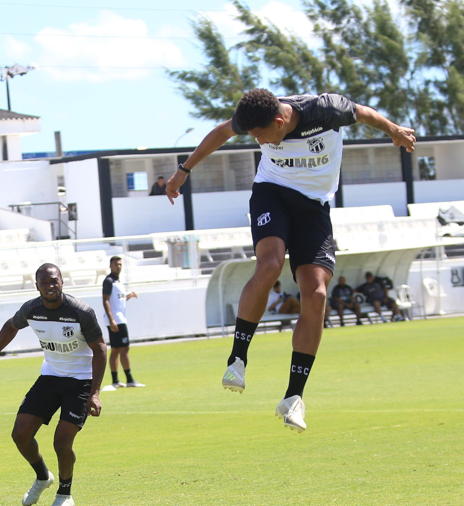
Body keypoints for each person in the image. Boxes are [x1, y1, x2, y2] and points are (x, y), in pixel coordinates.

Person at [166, 88, 416, 432]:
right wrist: (184, 170)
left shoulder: (326, 110)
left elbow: (365, 114)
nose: (258, 141)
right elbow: (222, 132)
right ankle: (238, 359)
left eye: (261, 135)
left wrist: (394, 131)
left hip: (314, 207)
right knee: (269, 263)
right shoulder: (256, 115)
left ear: (281, 121)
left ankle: (293, 398)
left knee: (316, 294)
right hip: (273, 193)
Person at [0, 263, 107, 506]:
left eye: (54, 280)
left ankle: (65, 493)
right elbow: (10, 326)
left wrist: (95, 393)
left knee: (61, 440)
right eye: (44, 282)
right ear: (37, 286)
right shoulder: (32, 309)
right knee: (20, 434)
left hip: (80, 381)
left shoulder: (80, 311)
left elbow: (99, 348)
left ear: (61, 282)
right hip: (50, 377)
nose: (50, 286)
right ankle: (42, 477)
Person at [102, 256, 144, 389]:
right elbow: (106, 300)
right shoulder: (108, 281)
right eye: (116, 264)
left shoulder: (118, 282)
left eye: (120, 264)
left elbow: (119, 301)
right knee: (122, 349)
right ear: (110, 266)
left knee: (117, 349)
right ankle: (128, 379)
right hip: (116, 320)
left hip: (119, 318)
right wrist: (111, 319)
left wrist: (129, 296)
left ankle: (118, 381)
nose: (118, 267)